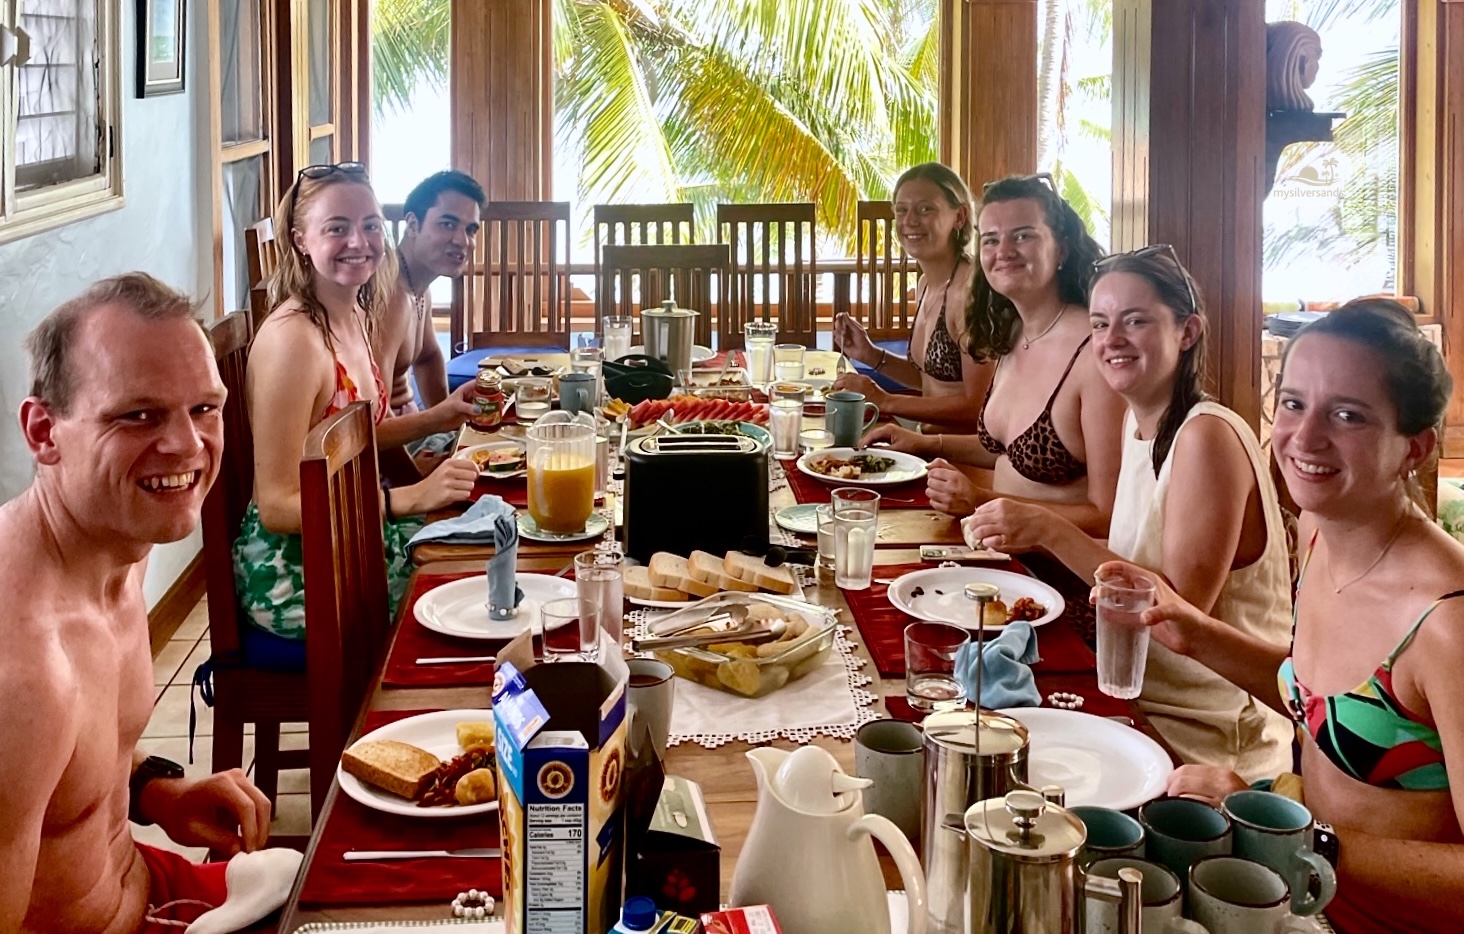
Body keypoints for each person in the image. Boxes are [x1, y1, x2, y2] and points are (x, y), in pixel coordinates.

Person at [1103, 299, 1464, 933]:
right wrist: (1197, 634)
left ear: (1415, 446)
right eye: (1293, 404)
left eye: (1347, 415)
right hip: (1299, 896)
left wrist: (1301, 839)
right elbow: (1327, 701)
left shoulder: (1445, 624)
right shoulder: (1321, 535)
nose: (1305, 437)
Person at [0, 273, 280, 932]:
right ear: (44, 431)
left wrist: (156, 789)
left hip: (152, 886)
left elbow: (75, 760)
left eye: (204, 408)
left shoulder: (120, 535)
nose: (186, 446)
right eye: (139, 415)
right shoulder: (22, 676)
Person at [959, 246, 1292, 778]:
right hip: (1131, 692)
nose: (1111, 339)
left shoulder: (1206, 435)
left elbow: (1178, 613)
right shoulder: (1138, 424)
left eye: (1135, 321)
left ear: (1187, 332)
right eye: (1099, 323)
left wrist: (1048, 529)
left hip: (1206, 738)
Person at [233, 163, 477, 650]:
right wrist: (403, 500)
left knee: (484, 547)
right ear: (301, 239)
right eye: (336, 228)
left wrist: (442, 415)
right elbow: (278, 505)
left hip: (352, 533)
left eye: (369, 225)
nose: (359, 242)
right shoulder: (293, 341)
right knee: (459, 595)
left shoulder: (354, 312)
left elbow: (356, 435)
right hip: (298, 571)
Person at [863, 173, 1125, 534]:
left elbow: (1110, 515)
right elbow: (1010, 452)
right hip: (992, 546)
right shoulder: (1013, 334)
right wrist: (927, 443)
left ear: (1062, 248)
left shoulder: (1096, 354)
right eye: (991, 239)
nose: (1003, 251)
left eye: (1023, 235)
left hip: (1052, 575)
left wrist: (981, 499)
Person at [831, 163, 993, 432]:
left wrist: (885, 400)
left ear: (960, 216)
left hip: (960, 460)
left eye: (925, 209)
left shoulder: (972, 293)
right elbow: (931, 380)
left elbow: (979, 407)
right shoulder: (925, 283)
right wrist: (871, 355)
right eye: (902, 210)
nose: (910, 221)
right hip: (924, 441)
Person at [374, 170, 486, 448]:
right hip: (387, 457)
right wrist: (422, 486)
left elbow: (427, 356)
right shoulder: (390, 294)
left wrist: (452, 433)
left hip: (413, 436)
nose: (463, 241)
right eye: (448, 224)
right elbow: (370, 426)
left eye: (470, 229)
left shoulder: (417, 283)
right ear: (412, 224)